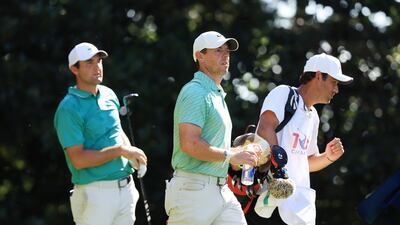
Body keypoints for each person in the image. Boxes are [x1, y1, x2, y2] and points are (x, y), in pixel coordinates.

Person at [164, 31, 261, 225]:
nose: (225, 55)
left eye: (227, 51)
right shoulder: (195, 91)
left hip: (220, 189)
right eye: (218, 50)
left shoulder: (215, 94)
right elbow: (190, 144)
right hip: (193, 190)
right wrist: (231, 155)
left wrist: (239, 157)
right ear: (199, 55)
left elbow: (216, 150)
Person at [54, 42, 148, 225]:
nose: (97, 67)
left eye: (99, 61)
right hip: (95, 193)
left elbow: (117, 131)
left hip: (126, 189)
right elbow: (78, 159)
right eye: (89, 63)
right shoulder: (69, 108)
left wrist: (132, 155)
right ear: (74, 69)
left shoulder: (108, 94)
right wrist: (121, 151)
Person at [255, 53, 353, 225]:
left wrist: (327, 157)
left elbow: (305, 163)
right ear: (317, 75)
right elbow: (265, 127)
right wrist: (279, 169)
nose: (336, 90)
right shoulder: (284, 93)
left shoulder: (313, 116)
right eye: (334, 82)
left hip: (298, 209)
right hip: (272, 203)